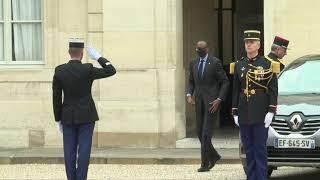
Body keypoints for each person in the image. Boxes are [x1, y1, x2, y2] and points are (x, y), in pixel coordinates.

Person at [52, 38, 116, 180]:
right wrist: (98, 57)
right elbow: (111, 70)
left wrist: (57, 119)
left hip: (67, 116)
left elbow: (56, 97)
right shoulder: (87, 69)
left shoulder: (60, 70)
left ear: (69, 52)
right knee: (84, 151)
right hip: (87, 116)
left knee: (69, 152)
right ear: (81, 54)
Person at [230, 30, 279, 180]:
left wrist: (271, 111)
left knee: (259, 150)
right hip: (244, 112)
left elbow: (273, 89)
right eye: (246, 42)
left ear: (258, 44)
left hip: (260, 113)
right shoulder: (239, 65)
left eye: (252, 42)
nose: (249, 45)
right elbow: (236, 90)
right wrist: (235, 112)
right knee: (248, 150)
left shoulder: (267, 64)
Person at [186, 41, 229, 172]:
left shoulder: (215, 62)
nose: (199, 51)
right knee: (199, 132)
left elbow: (225, 82)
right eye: (197, 49)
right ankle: (214, 156)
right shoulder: (193, 63)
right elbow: (191, 82)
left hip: (212, 103)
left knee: (205, 134)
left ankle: (205, 164)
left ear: (207, 49)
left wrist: (219, 99)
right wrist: (189, 94)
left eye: (201, 49)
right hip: (198, 102)